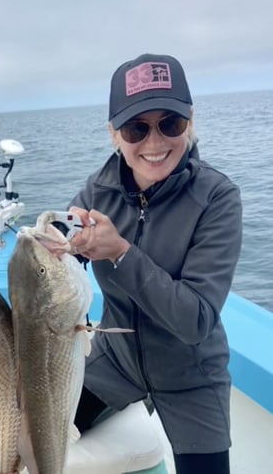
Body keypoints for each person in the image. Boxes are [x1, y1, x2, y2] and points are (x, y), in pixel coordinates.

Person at [68, 53, 242, 474]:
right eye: (136, 128)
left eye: (170, 123)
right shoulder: (100, 188)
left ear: (190, 120)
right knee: (28, 433)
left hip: (192, 377)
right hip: (115, 361)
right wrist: (59, 242)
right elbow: (66, 237)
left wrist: (121, 253)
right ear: (114, 134)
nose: (154, 142)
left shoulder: (217, 198)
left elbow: (196, 320)